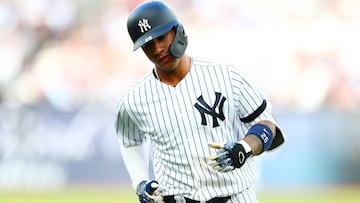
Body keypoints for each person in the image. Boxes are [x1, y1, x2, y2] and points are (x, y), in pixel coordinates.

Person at [116, 1, 285, 203]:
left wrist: (244, 149)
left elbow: (267, 125)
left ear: (177, 31)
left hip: (234, 197)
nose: (158, 48)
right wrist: (139, 181)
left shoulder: (226, 76)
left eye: (161, 37)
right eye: (148, 44)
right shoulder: (134, 98)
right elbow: (130, 141)